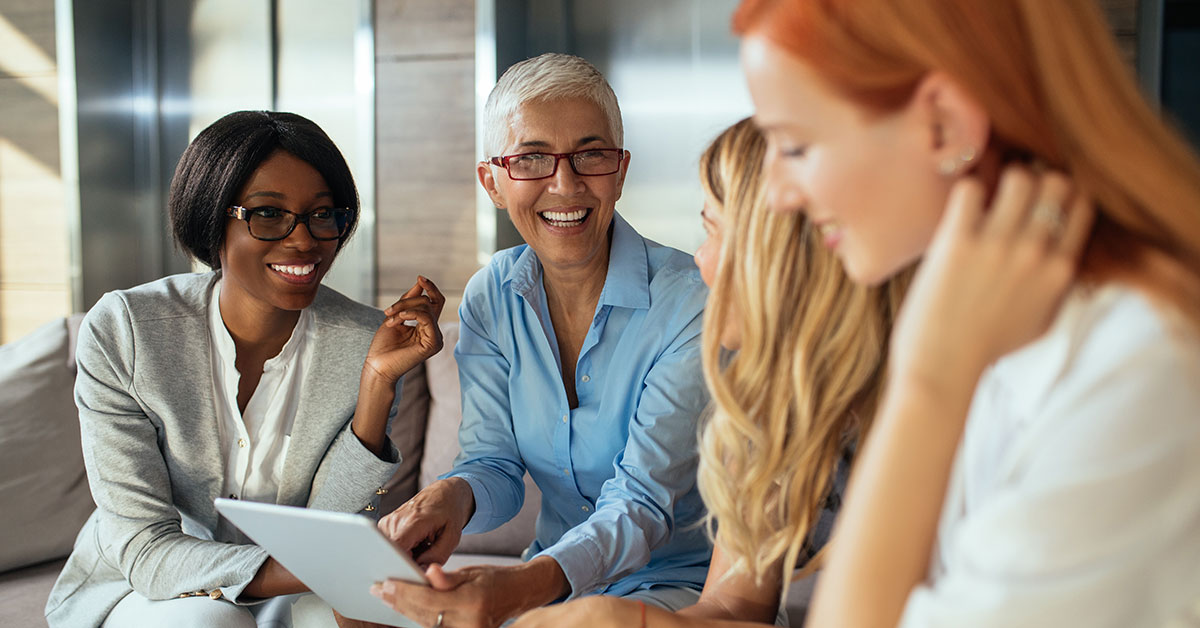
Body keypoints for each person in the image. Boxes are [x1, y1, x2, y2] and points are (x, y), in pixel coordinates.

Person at [732, 1, 1200, 627]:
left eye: (794, 145)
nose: (775, 194)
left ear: (946, 125)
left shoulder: (1141, 370)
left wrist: (928, 384)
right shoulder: (1004, 321)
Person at [345, 53, 713, 628]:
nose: (564, 184)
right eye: (532, 158)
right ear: (493, 181)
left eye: (590, 155)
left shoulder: (690, 300)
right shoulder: (493, 293)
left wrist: (521, 588)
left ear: (619, 171)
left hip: (677, 590)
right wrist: (449, 498)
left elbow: (642, 503)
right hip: (551, 590)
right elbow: (493, 462)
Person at [44, 110, 445, 628]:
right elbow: (145, 548)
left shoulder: (368, 340)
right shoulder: (127, 329)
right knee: (209, 624)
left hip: (287, 588)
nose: (304, 240)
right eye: (269, 214)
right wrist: (337, 569)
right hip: (143, 589)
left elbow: (326, 526)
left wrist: (377, 386)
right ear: (213, 220)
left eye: (323, 214)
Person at [513, 118, 910, 627]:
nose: (700, 258)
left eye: (715, 230)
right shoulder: (770, 413)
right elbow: (733, 606)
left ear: (785, 256)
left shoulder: (921, 410)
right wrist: (615, 619)